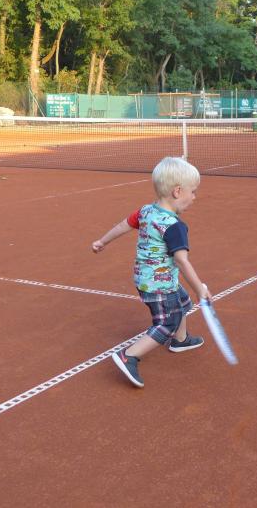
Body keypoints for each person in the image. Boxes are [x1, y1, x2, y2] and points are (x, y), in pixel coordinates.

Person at [91, 157, 211, 388]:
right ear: (178, 191)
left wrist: (102, 241)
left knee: (182, 302)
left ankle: (181, 340)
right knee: (167, 322)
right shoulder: (175, 227)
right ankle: (129, 355)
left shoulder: (146, 211)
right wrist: (200, 289)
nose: (195, 197)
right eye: (193, 191)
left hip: (146, 278)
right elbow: (182, 261)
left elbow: (123, 225)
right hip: (159, 284)